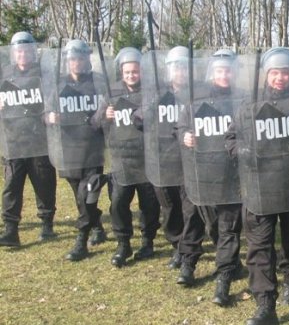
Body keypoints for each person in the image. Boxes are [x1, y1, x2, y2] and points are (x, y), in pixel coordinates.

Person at [226, 47, 289, 324]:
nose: (280, 78)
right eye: (275, 72)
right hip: (258, 187)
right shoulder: (249, 103)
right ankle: (265, 303)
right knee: (259, 246)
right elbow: (230, 138)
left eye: (285, 73)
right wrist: (241, 150)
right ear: (266, 74)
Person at [176, 49, 245, 306]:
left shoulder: (243, 99)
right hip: (201, 172)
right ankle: (188, 262)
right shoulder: (197, 99)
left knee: (229, 225)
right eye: (219, 70)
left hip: (232, 174)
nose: (224, 74)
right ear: (212, 72)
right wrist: (185, 135)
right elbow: (181, 126)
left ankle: (224, 276)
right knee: (198, 221)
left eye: (228, 70)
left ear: (235, 72)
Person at [92, 47, 161, 267]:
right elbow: (94, 123)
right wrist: (105, 115)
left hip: (146, 159)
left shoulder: (152, 92)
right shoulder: (111, 94)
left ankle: (148, 240)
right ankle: (123, 243)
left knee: (149, 204)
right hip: (122, 159)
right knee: (118, 202)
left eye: (135, 71)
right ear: (121, 72)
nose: (131, 75)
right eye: (127, 72)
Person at [44, 39, 106, 261]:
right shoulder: (60, 86)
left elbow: (108, 106)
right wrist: (49, 117)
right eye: (72, 59)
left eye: (80, 58)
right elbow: (46, 112)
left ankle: (81, 240)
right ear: (67, 61)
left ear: (87, 59)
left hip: (93, 150)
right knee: (80, 197)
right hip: (69, 151)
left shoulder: (99, 83)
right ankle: (97, 227)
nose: (76, 63)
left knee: (87, 192)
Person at [0, 32, 57, 247]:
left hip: (39, 140)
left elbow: (53, 98)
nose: (23, 54)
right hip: (13, 140)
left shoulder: (44, 75)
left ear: (33, 52)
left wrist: (50, 111)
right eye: (19, 51)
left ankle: (46, 224)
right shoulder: (4, 75)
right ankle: (11, 229)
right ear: (14, 53)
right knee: (11, 186)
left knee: (44, 183)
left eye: (26, 50)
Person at [142, 46, 193, 270]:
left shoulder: (198, 93)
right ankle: (177, 244)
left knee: (189, 208)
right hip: (164, 160)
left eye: (184, 67)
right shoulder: (158, 95)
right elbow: (138, 120)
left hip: (190, 160)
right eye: (176, 68)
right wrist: (147, 109)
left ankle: (187, 249)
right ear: (169, 70)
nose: (180, 72)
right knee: (170, 207)